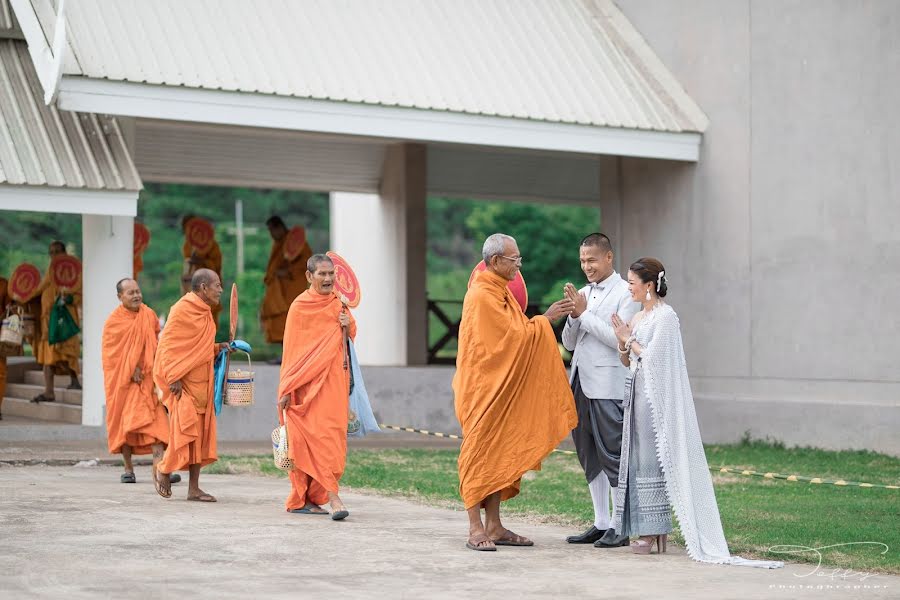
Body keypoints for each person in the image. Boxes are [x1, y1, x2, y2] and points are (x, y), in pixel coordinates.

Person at [611, 259, 781, 568]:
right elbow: (629, 362)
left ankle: (653, 530)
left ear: (648, 284)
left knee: (653, 459)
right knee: (637, 460)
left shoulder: (666, 317)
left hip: (655, 401)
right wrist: (622, 341)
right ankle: (648, 526)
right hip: (634, 395)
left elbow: (655, 359)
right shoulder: (637, 317)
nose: (629, 287)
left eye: (632, 281)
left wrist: (629, 340)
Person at [454, 233, 578, 551]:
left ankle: (494, 526)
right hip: (483, 389)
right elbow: (504, 341)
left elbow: (515, 331)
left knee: (499, 454)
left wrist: (536, 323)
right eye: (514, 260)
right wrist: (545, 320)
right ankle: (474, 528)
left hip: (501, 386)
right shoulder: (481, 295)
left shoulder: (500, 292)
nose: (518, 265)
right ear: (495, 261)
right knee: (478, 454)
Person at [561, 233, 639, 548]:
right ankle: (601, 522)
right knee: (588, 453)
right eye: (582, 261)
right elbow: (568, 344)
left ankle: (622, 525)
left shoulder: (627, 293)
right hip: (579, 381)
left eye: (591, 260)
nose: (586, 266)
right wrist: (573, 317)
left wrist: (584, 314)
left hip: (608, 384)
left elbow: (619, 341)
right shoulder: (582, 293)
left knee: (613, 453)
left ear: (608, 257)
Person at [277, 254, 355, 520]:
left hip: (333, 386)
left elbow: (348, 343)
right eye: (322, 274)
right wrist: (287, 388)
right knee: (308, 442)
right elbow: (292, 350)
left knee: (332, 442)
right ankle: (334, 500)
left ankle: (312, 499)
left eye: (331, 274)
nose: (328, 279)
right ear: (309, 276)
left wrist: (348, 326)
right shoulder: (299, 307)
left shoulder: (340, 305)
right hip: (305, 389)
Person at [154, 269, 228, 502]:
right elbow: (167, 346)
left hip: (204, 384)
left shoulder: (205, 312)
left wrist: (219, 347)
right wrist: (173, 376)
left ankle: (193, 489)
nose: (220, 290)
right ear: (203, 287)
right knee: (184, 431)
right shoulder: (182, 309)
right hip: (183, 384)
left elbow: (198, 347)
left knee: (200, 437)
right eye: (217, 285)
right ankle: (164, 469)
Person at [102, 279, 179, 485]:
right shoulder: (113, 322)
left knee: (158, 425)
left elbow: (157, 343)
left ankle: (162, 470)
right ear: (120, 297)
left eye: (138, 291)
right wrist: (131, 367)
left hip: (149, 380)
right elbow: (111, 354)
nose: (136, 295)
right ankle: (128, 469)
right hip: (125, 384)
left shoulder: (148, 314)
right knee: (126, 425)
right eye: (130, 293)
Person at [31, 241, 81, 403]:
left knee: (68, 353)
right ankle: (49, 392)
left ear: (65, 252)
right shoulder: (49, 273)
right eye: (51, 252)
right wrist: (22, 297)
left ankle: (75, 381)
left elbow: (80, 294)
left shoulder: (74, 272)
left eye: (58, 251)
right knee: (48, 357)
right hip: (48, 324)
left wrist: (69, 297)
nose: (54, 255)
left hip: (66, 322)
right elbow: (38, 290)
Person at [260, 216, 311, 348]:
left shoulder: (296, 242)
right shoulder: (278, 243)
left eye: (272, 230)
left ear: (280, 228)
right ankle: (285, 355)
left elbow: (307, 263)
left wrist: (289, 271)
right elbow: (274, 266)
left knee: (291, 321)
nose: (271, 234)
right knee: (280, 323)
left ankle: (291, 355)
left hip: (291, 291)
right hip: (278, 291)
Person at [181, 216, 224, 330]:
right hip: (192, 289)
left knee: (209, 324)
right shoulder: (188, 246)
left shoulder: (213, 246)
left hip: (208, 287)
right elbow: (187, 267)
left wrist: (202, 260)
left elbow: (216, 268)